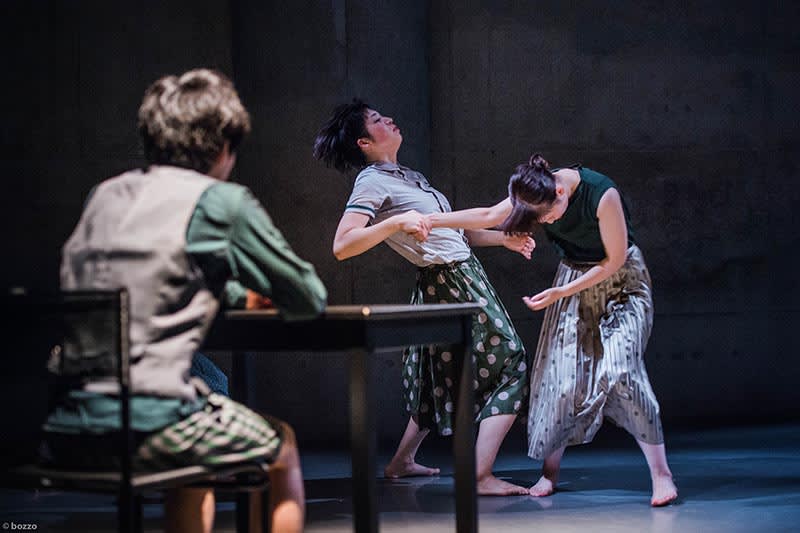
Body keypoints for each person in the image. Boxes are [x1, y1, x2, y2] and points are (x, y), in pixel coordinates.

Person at [46, 68, 327, 533]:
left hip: (65, 422)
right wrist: (251, 292)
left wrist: (232, 294)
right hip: (151, 422)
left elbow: (142, 278)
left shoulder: (104, 196)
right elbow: (307, 298)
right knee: (283, 447)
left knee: (197, 435)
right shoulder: (220, 201)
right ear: (224, 147)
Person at [312, 99, 535, 496]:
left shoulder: (408, 176)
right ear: (364, 142)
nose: (389, 119)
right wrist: (396, 222)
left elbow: (454, 233)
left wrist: (504, 240)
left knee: (438, 376)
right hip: (449, 281)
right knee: (511, 360)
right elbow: (343, 245)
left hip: (460, 274)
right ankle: (481, 476)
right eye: (377, 120)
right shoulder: (372, 181)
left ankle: (401, 461)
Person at [428, 154, 678, 506]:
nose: (543, 222)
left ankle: (661, 475)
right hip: (573, 276)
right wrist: (430, 220)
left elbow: (615, 260)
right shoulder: (533, 190)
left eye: (545, 216)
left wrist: (562, 292)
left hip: (621, 284)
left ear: (560, 192)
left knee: (622, 370)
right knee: (559, 379)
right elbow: (488, 216)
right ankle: (550, 472)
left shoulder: (601, 194)